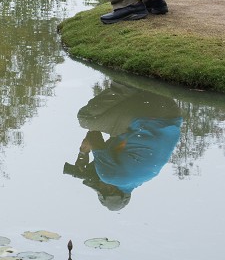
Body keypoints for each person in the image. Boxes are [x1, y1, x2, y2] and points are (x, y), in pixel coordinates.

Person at [63, 82, 183, 211]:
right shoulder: (110, 177)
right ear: (110, 188)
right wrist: (83, 154)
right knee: (87, 119)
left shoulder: (141, 178)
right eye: (100, 186)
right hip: (149, 114)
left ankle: (144, 87)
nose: (99, 182)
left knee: (114, 134)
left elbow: (112, 142)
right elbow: (94, 134)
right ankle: (126, 82)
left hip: (171, 110)